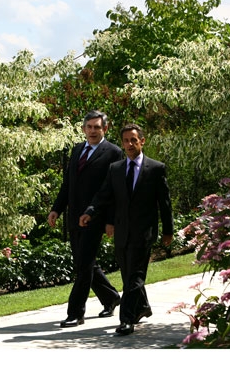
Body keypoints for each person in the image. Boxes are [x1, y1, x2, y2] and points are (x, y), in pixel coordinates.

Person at [79, 123, 173, 335]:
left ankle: (126, 320)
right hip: (122, 232)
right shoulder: (116, 169)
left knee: (135, 276)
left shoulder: (156, 168)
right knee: (128, 275)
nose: (129, 144)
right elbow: (103, 196)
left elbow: (164, 203)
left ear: (142, 141)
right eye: (126, 141)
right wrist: (90, 212)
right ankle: (142, 307)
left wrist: (168, 230)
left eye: (133, 140)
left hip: (144, 232)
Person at [48, 110, 123, 328]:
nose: (92, 131)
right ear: (83, 129)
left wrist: (110, 220)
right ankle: (110, 297)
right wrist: (56, 209)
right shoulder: (78, 149)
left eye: (97, 127)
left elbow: (113, 191)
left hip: (96, 218)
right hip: (74, 216)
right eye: (89, 127)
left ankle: (75, 313)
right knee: (84, 263)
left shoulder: (113, 153)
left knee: (83, 266)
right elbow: (68, 184)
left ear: (105, 129)